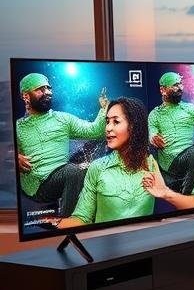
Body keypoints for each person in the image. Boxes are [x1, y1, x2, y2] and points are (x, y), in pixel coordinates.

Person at [15, 72, 108, 219]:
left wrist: (104, 109)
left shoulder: (63, 119)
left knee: (85, 169)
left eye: (49, 88)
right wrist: (15, 156)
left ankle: (71, 223)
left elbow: (95, 131)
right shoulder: (18, 127)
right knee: (73, 171)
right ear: (26, 96)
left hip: (59, 179)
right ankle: (69, 224)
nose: (48, 92)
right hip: (34, 186)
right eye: (40, 89)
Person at [59, 97, 157, 227]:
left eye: (116, 122)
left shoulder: (152, 163)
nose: (108, 128)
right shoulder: (97, 168)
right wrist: (52, 224)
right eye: (107, 122)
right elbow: (81, 217)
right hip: (105, 243)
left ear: (134, 126)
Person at [147, 71, 194, 195]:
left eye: (181, 84)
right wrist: (154, 138)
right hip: (169, 163)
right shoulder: (155, 114)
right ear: (163, 90)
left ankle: (191, 200)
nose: (180, 88)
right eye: (175, 85)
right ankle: (188, 198)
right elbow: (152, 133)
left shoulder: (190, 109)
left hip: (188, 157)